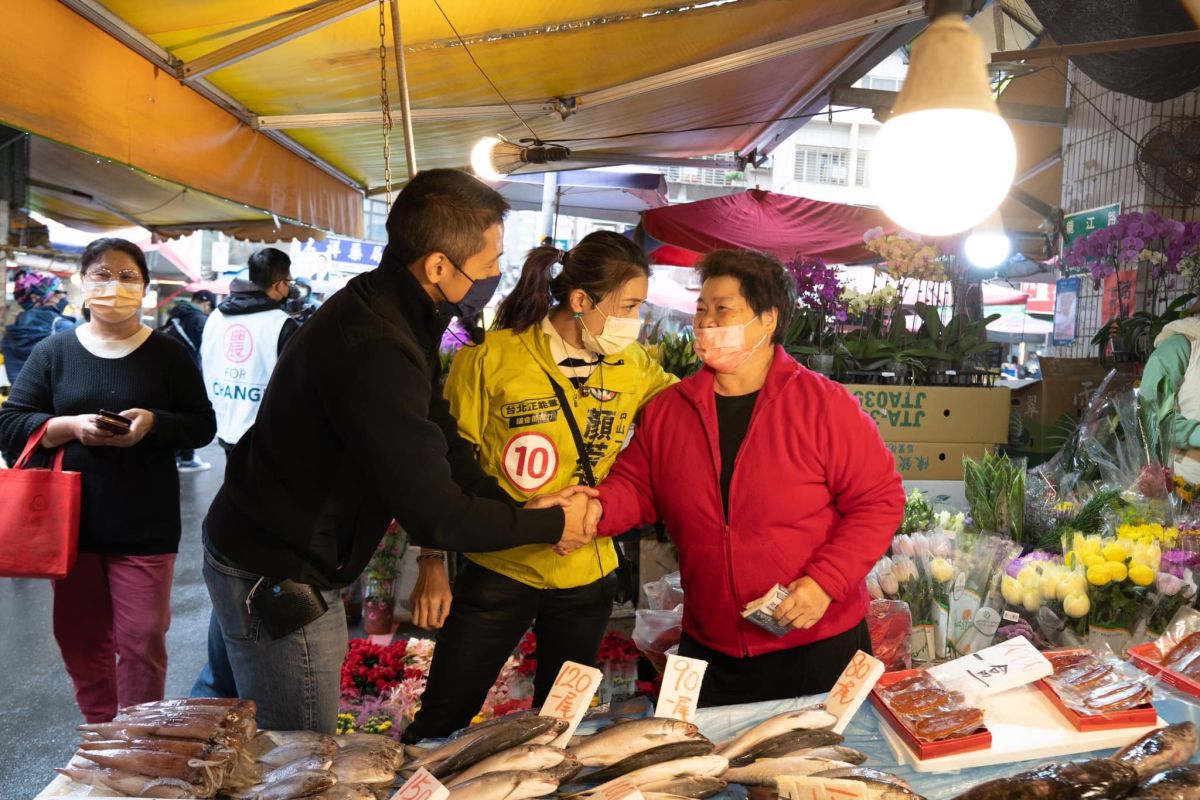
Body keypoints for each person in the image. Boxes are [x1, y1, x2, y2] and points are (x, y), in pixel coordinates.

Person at [196, 169, 594, 733]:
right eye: (486, 264)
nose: (492, 276)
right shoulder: (376, 344)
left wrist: (516, 504)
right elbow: (435, 514)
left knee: (224, 727)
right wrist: (551, 525)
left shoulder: (394, 311)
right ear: (437, 266)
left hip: (253, 542)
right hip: (282, 573)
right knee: (297, 758)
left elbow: (439, 431)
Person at [584, 249, 904, 707]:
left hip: (815, 643)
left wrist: (824, 582)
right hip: (711, 647)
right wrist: (595, 509)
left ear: (767, 320)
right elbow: (636, 485)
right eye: (701, 309)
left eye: (723, 310)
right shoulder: (670, 410)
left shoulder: (823, 406)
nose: (707, 322)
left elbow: (880, 500)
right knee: (716, 772)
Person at [403, 231, 676, 742]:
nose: (634, 322)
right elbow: (438, 467)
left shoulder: (634, 366)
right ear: (581, 301)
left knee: (559, 728)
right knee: (442, 718)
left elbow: (688, 413)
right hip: (500, 567)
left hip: (588, 573)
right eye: (629, 306)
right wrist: (432, 562)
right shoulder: (490, 359)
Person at [0, 238, 216, 722]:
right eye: (101, 273)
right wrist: (71, 427)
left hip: (145, 524)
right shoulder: (54, 351)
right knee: (80, 639)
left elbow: (202, 425)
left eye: (126, 276)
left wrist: (153, 423)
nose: (113, 286)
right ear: (82, 280)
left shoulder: (168, 355)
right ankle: (101, 731)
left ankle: (138, 738)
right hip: (69, 528)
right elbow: (11, 427)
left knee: (142, 638)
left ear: (144, 286)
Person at [199, 248, 298, 453]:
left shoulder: (216, 316)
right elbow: (294, 383)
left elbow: (205, 361)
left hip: (224, 422)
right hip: (265, 434)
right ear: (279, 284)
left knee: (233, 481)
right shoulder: (282, 324)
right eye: (289, 283)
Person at [161, 290, 217, 472]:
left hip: (168, 371)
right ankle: (186, 458)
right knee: (189, 414)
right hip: (190, 373)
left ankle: (178, 456)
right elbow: (208, 351)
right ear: (207, 304)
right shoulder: (200, 320)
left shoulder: (175, 316)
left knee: (173, 411)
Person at [2, 270, 76, 386]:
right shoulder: (61, 326)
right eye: (58, 292)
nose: (63, 296)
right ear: (35, 297)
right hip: (55, 402)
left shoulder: (10, 334)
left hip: (21, 400)